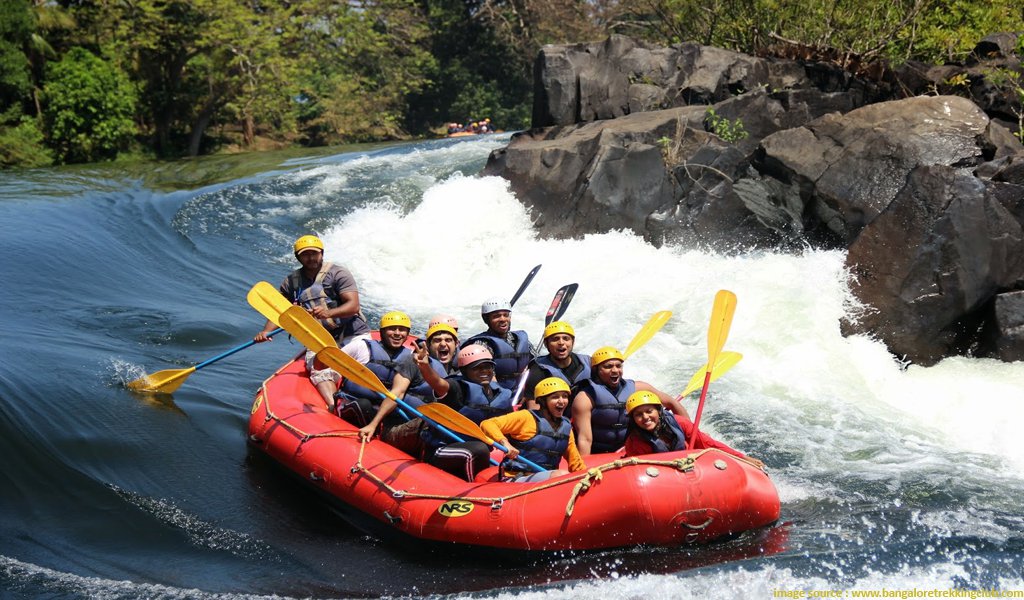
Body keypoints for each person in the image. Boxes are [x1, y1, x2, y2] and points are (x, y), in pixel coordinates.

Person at [254, 234, 370, 409]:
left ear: (321, 253)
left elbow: (353, 306)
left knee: (362, 369)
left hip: (353, 334)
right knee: (320, 371)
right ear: (298, 257)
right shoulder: (291, 282)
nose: (311, 258)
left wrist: (327, 313)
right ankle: (336, 407)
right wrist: (266, 332)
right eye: (305, 254)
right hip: (320, 339)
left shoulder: (338, 273)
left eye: (314, 253)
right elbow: (281, 311)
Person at [413, 345, 513, 481]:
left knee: (484, 450)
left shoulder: (501, 394)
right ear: (465, 371)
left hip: (478, 450)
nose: (484, 371)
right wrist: (424, 366)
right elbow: (438, 383)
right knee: (479, 449)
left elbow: (509, 425)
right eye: (477, 367)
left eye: (488, 366)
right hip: (443, 449)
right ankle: (476, 490)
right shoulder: (458, 388)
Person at [571, 346, 690, 457]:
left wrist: (689, 438)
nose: (615, 370)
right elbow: (585, 439)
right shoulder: (585, 398)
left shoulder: (639, 388)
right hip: (599, 453)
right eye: (608, 366)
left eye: (618, 366)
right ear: (596, 370)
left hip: (635, 448)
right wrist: (583, 470)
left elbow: (672, 403)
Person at [357, 320, 459, 443]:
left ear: (456, 344)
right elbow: (397, 393)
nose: (443, 344)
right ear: (427, 345)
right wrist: (373, 425)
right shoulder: (413, 361)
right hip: (400, 427)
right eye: (437, 340)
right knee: (433, 423)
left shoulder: (457, 373)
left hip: (433, 431)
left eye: (448, 340)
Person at [481, 377, 587, 482]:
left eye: (565, 396)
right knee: (561, 475)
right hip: (515, 479)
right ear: (542, 401)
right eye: (555, 397)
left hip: (546, 480)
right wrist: (505, 443)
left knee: (565, 476)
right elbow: (487, 424)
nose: (561, 401)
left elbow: (576, 463)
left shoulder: (566, 426)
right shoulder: (526, 417)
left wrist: (587, 476)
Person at [623, 391, 765, 468]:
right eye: (638, 414)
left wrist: (742, 458)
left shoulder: (679, 423)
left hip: (689, 464)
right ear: (633, 419)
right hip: (662, 475)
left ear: (659, 412)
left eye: (649, 411)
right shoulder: (635, 442)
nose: (645, 417)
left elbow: (709, 444)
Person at [336, 311, 416, 429]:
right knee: (364, 405)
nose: (397, 333)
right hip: (353, 403)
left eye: (402, 330)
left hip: (384, 410)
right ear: (382, 331)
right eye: (392, 329)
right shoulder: (361, 347)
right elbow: (329, 366)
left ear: (408, 334)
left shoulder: (410, 358)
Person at [462, 298, 531, 391]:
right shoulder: (482, 344)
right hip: (497, 393)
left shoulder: (518, 338)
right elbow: (486, 377)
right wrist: (502, 396)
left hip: (523, 390)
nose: (503, 319)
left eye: (506, 315)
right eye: (496, 316)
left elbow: (534, 364)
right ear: (487, 319)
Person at [520, 321, 590, 409]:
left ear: (573, 342)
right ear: (546, 344)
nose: (561, 342)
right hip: (553, 418)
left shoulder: (587, 363)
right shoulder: (538, 369)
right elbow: (534, 408)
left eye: (566, 338)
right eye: (555, 339)